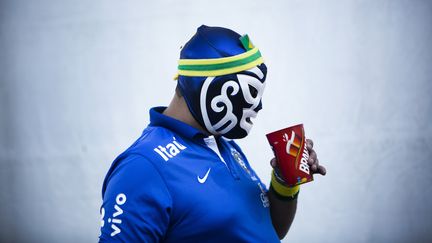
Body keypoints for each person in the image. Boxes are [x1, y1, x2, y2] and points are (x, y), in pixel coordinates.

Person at [98, 25, 326, 242]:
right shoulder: (142, 167)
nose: (258, 107)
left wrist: (285, 181)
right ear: (211, 85)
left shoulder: (222, 145)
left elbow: (270, 229)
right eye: (250, 92)